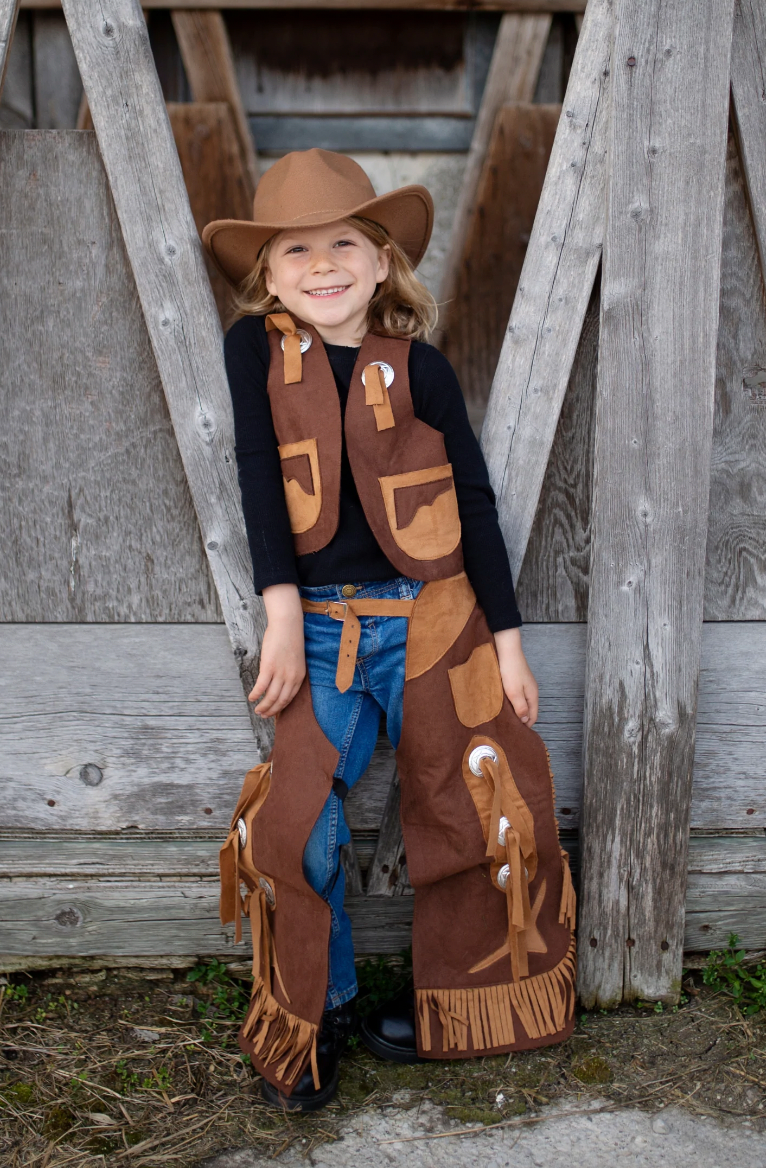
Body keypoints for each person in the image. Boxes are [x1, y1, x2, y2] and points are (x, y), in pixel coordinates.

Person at [207, 149, 576, 1114]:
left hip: (433, 620)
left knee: (470, 803)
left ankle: (465, 1003)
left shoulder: (423, 370)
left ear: (380, 263)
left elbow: (478, 506)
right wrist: (280, 614)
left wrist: (507, 641)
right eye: (296, 251)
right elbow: (257, 476)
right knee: (298, 822)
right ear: (269, 273)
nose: (320, 266)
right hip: (324, 633)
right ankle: (316, 1011)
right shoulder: (256, 354)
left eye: (343, 244)